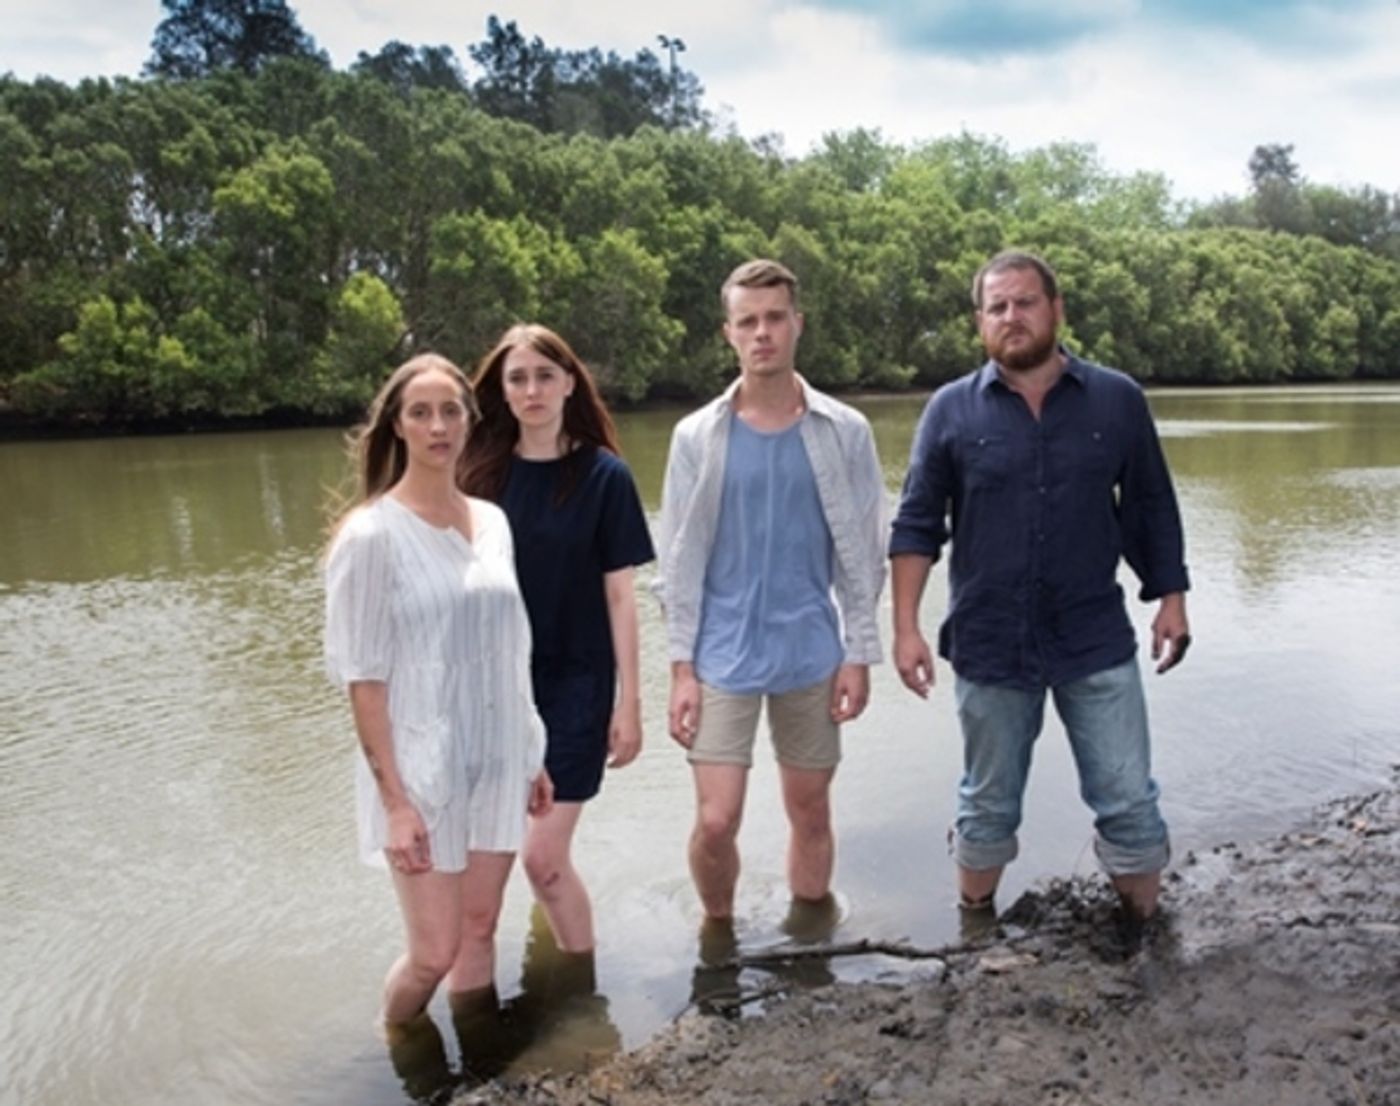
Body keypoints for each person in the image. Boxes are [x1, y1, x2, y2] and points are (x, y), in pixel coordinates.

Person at [889, 250, 1191, 930]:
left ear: (1056, 310)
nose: (1012, 317)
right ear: (980, 323)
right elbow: (915, 524)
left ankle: (1145, 932)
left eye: (1025, 302)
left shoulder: (1116, 400)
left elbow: (1149, 505)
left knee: (1126, 796)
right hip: (990, 641)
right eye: (997, 307)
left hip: (1094, 638)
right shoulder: (949, 411)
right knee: (987, 801)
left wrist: (1170, 597)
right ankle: (974, 927)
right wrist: (905, 626)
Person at [655, 258, 886, 941]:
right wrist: (680, 671)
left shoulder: (845, 431)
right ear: (728, 333)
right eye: (748, 321)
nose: (763, 334)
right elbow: (678, 561)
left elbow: (863, 554)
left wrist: (858, 654)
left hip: (810, 649)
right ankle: (718, 933)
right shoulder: (696, 436)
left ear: (797, 325)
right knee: (716, 819)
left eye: (775, 319)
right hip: (720, 653)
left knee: (809, 810)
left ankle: (808, 943)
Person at [323, 352, 553, 1034]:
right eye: (420, 413)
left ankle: (479, 1066)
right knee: (432, 954)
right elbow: (363, 681)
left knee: (480, 929)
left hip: (497, 755)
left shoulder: (494, 522)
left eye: (450, 410)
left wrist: (531, 752)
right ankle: (401, 1054)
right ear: (397, 426)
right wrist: (395, 804)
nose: (437, 426)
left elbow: (511, 651)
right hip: (422, 771)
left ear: (470, 422)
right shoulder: (370, 537)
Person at [464, 324, 654, 958]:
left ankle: (580, 991)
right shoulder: (476, 474)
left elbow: (621, 596)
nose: (532, 389)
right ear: (502, 391)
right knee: (485, 863)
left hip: (577, 684)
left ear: (570, 383)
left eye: (545, 376)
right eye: (517, 378)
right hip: (494, 687)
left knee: (543, 858)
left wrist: (629, 703)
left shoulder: (604, 477)